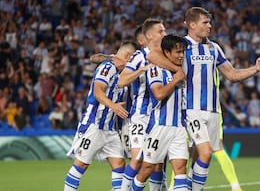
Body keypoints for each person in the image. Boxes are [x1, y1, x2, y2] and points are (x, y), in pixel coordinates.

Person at [171, 7, 260, 190]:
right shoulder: (180, 46)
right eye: (205, 22)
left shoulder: (214, 48)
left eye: (209, 22)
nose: (209, 25)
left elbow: (231, 74)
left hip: (214, 112)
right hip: (191, 110)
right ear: (192, 25)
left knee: (200, 157)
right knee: (202, 154)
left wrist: (255, 69)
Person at [63, 41, 138, 191]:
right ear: (127, 56)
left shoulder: (121, 72)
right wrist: (114, 106)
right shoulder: (107, 67)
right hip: (94, 124)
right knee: (81, 164)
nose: (134, 64)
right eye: (133, 60)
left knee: (119, 164)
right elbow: (98, 92)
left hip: (110, 129)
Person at [118, 18, 179, 191]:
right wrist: (139, 71)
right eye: (161, 31)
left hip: (160, 116)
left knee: (157, 163)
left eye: (164, 30)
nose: (165, 34)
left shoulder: (168, 57)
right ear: (150, 35)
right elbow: (122, 81)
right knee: (138, 161)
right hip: (141, 116)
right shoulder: (139, 56)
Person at [132, 34, 188, 191]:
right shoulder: (156, 70)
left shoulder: (180, 70)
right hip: (158, 126)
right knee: (147, 169)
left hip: (178, 127)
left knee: (180, 168)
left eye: (182, 52)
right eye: (177, 52)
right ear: (167, 53)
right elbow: (159, 94)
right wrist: (176, 80)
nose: (181, 55)